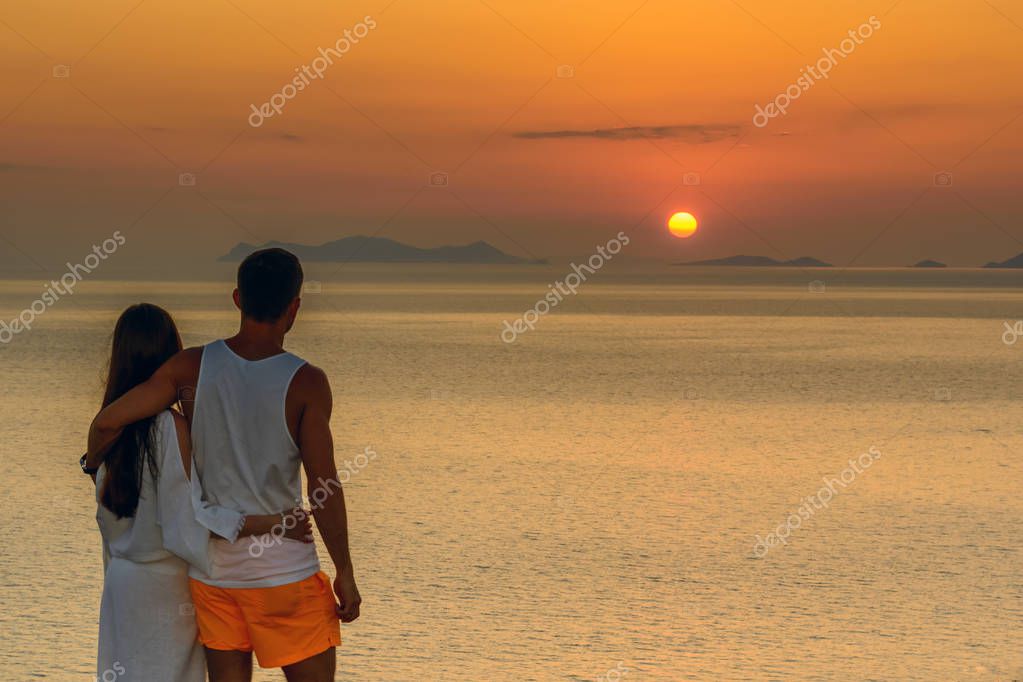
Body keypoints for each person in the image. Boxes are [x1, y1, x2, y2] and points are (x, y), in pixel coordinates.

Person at [86, 248, 361, 682]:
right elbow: (323, 487)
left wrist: (94, 465)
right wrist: (344, 570)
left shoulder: (190, 367)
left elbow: (108, 422)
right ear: (295, 308)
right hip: (282, 575)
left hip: (216, 580)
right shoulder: (307, 382)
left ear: (237, 298)